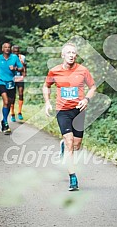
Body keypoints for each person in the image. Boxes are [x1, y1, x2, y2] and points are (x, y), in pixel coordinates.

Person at [43, 43, 96, 191]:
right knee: (69, 142)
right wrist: (47, 103)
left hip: (79, 111)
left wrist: (86, 99)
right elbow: (46, 86)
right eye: (69, 53)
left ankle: (62, 146)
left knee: (76, 145)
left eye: (74, 53)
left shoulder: (83, 70)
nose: (72, 55)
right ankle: (73, 178)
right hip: (63, 111)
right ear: (63, 55)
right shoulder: (54, 71)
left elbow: (93, 87)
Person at [0, 42, 23, 134]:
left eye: (8, 47)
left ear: (10, 49)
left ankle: (3, 120)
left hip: (11, 83)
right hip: (1, 82)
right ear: (2, 49)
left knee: (10, 102)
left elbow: (21, 68)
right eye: (5, 47)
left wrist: (15, 68)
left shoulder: (14, 57)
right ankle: (6, 124)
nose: (7, 49)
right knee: (6, 101)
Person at [10, 45, 27, 121]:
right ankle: (12, 113)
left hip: (20, 78)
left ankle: (19, 112)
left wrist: (24, 73)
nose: (16, 53)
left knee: (21, 93)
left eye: (17, 51)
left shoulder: (22, 57)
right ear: (12, 51)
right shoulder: (9, 58)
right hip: (12, 79)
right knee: (12, 96)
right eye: (14, 51)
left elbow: (24, 66)